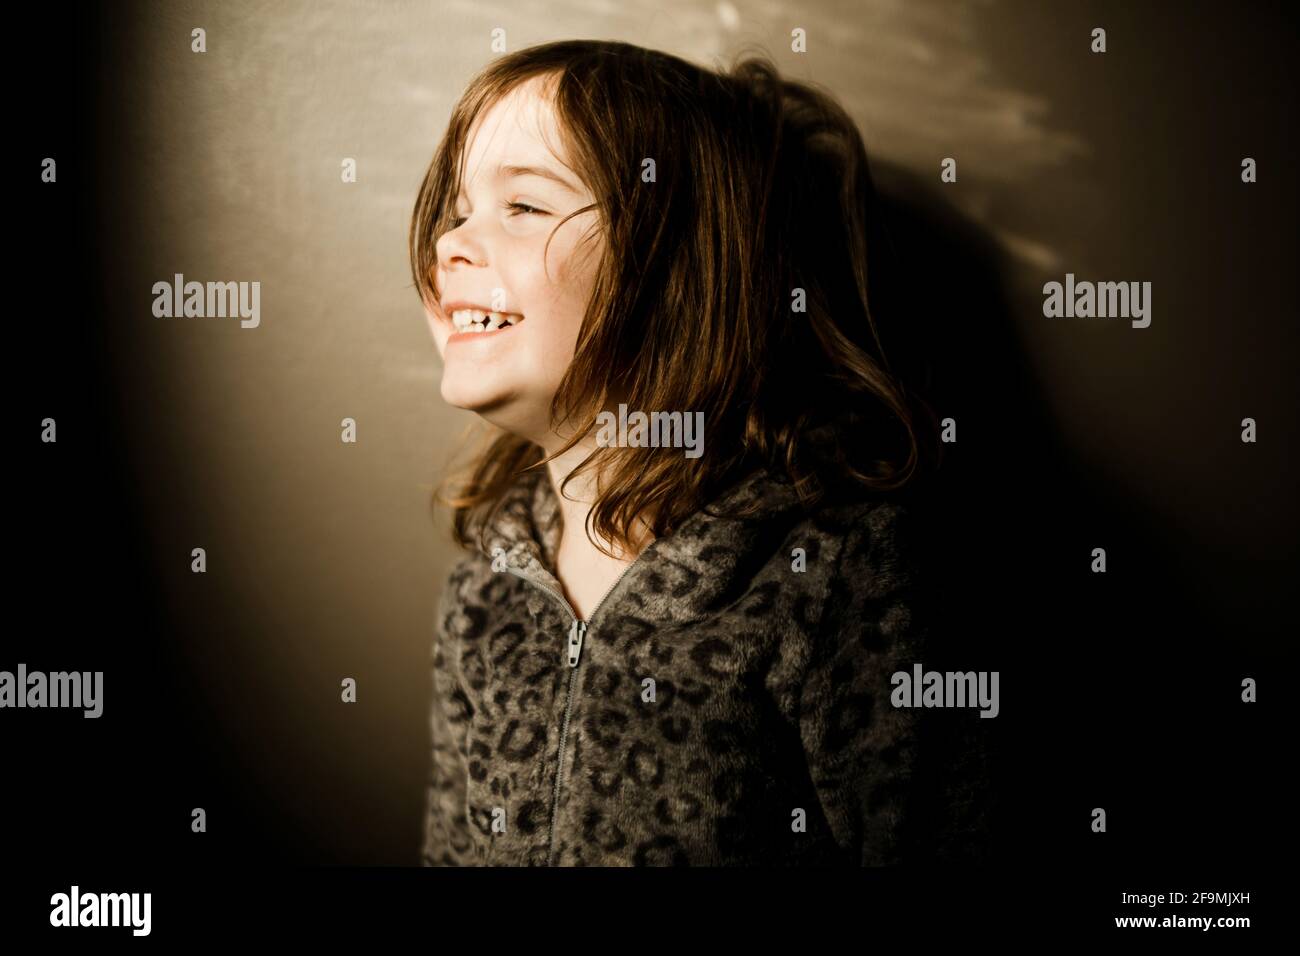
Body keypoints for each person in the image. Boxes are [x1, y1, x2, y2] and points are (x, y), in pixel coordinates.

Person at [409, 39, 961, 866]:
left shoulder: (835, 577)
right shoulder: (484, 589)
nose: (452, 243)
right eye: (456, 210)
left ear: (678, 271)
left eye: (523, 206)